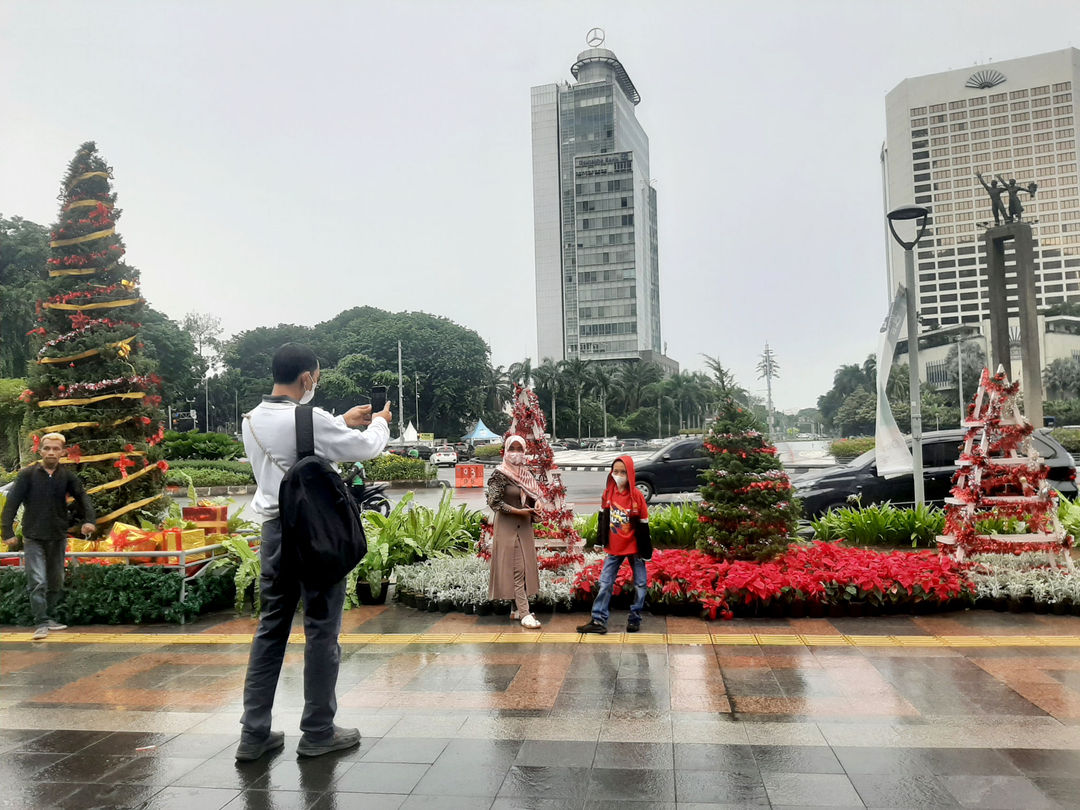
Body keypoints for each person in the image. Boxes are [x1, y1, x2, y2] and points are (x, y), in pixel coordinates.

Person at [237, 343, 392, 761]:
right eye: (316, 379)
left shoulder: (250, 420)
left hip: (274, 535)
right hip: (315, 535)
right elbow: (364, 448)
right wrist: (378, 422)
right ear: (307, 379)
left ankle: (254, 735)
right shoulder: (311, 417)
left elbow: (292, 442)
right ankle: (318, 731)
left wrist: (341, 421)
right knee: (322, 631)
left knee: (271, 630)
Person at [2, 432, 96, 641]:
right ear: (40, 450)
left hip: (58, 535)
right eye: (47, 448)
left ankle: (50, 616)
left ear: (63, 452)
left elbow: (82, 497)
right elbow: (12, 503)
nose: (51, 452)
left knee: (56, 580)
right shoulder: (27, 475)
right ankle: (41, 622)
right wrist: (7, 532)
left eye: (55, 449)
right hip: (33, 536)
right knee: (37, 579)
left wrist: (89, 521)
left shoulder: (67, 476)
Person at [577, 455, 650, 634]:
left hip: (635, 548)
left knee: (640, 585)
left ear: (630, 474)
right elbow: (603, 519)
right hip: (614, 548)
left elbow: (643, 524)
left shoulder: (637, 496)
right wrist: (599, 542)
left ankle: (635, 619)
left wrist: (646, 550)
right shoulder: (608, 493)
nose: (618, 475)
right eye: (615, 471)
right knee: (605, 584)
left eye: (623, 472)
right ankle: (598, 620)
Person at [486, 435, 543, 629]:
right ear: (506, 451)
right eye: (513, 449)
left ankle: (516, 609)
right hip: (508, 526)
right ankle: (525, 614)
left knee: (524, 568)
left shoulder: (526, 474)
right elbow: (494, 502)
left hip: (525, 527)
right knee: (518, 569)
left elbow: (534, 496)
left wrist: (537, 505)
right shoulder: (499, 474)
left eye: (520, 449)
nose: (516, 453)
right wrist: (519, 511)